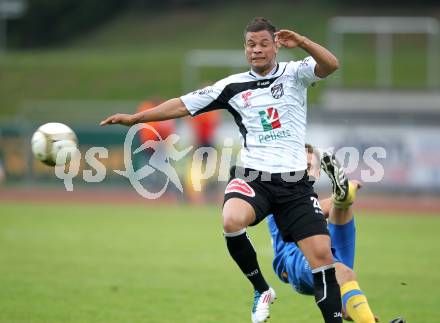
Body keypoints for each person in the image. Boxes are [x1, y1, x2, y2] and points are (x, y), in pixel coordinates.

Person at [100, 17, 341, 323]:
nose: (257, 50)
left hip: (294, 182)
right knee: (231, 219)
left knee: (323, 260)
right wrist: (136, 119)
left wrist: (304, 42)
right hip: (254, 176)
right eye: (251, 45)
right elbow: (183, 105)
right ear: (245, 48)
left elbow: (331, 65)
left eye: (264, 44)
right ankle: (261, 289)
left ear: (276, 46)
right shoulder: (231, 86)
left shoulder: (295, 73)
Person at [268, 145, 380, 322]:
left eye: (309, 167)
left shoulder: (308, 197)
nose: (304, 171)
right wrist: (344, 193)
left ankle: (344, 199)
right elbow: (312, 213)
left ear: (317, 173)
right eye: (299, 166)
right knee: (344, 273)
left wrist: (341, 197)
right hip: (292, 259)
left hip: (324, 247)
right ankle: (344, 196)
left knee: (345, 280)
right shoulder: (280, 192)